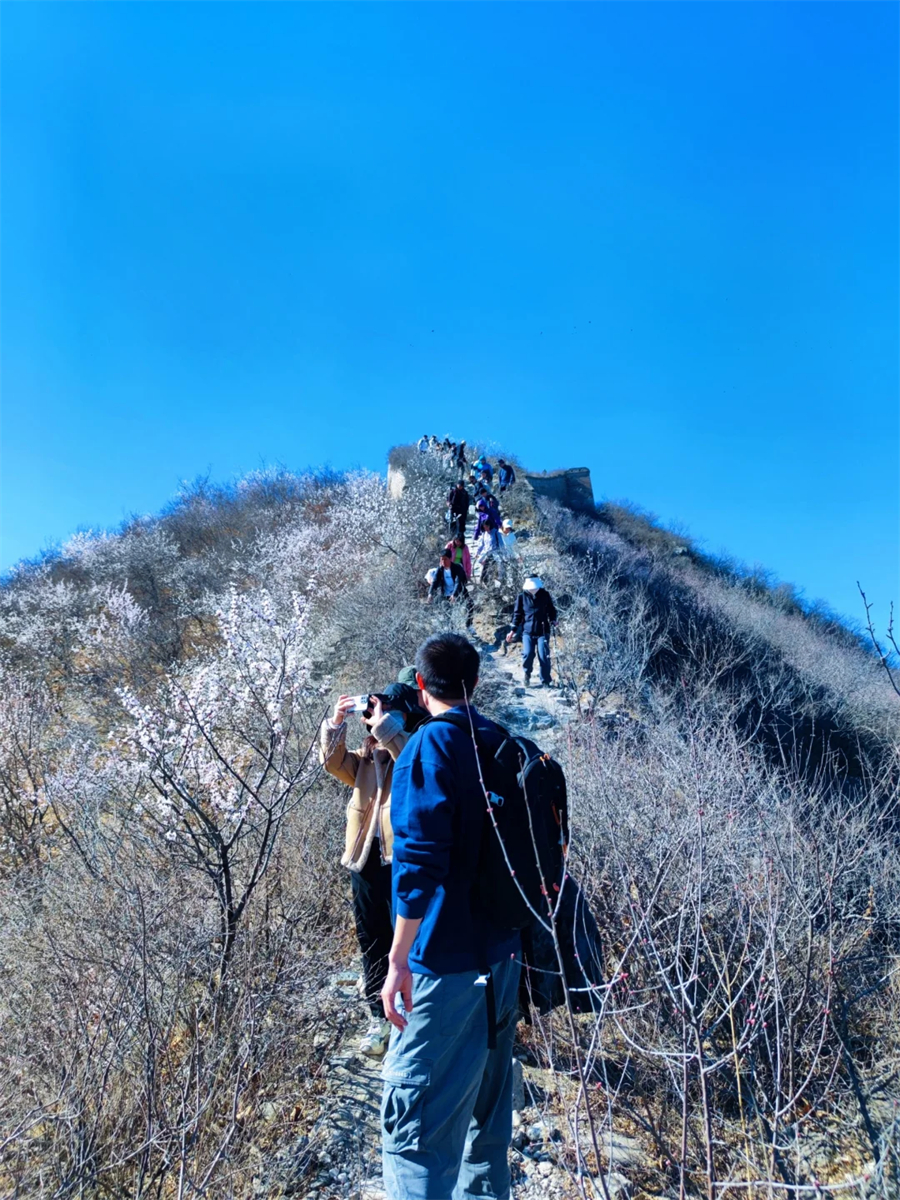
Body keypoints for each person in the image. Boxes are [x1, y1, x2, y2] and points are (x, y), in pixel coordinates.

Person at [381, 633, 522, 1200]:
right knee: (488, 1126)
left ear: (421, 685)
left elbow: (418, 863)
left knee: (416, 1131)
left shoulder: (428, 746)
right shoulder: (502, 742)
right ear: (476, 683)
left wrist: (397, 960)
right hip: (502, 960)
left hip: (445, 961)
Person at [320, 688, 417, 1057]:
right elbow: (333, 763)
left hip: (401, 860)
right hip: (365, 858)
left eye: (388, 710)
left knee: (403, 941)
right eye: (377, 709)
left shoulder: (413, 747)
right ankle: (379, 1017)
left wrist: (387, 730)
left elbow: (414, 769)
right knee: (371, 939)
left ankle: (410, 1015)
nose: (378, 716)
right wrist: (336, 723)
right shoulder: (368, 756)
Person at [506, 576, 558, 687]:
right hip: (527, 631)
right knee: (528, 653)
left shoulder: (545, 595)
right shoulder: (521, 597)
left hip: (543, 631)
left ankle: (545, 681)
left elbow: (551, 609)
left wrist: (553, 619)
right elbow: (517, 615)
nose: (533, 589)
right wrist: (512, 631)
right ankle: (527, 674)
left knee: (544, 655)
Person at [473, 517, 502, 586]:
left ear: (490, 525)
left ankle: (492, 586)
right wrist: (477, 553)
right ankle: (486, 585)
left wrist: (502, 553)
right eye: (484, 527)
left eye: (487, 526)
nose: (486, 528)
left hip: (495, 555)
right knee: (484, 573)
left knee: (492, 572)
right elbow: (481, 545)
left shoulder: (496, 533)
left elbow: (501, 544)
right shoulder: (484, 534)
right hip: (486, 555)